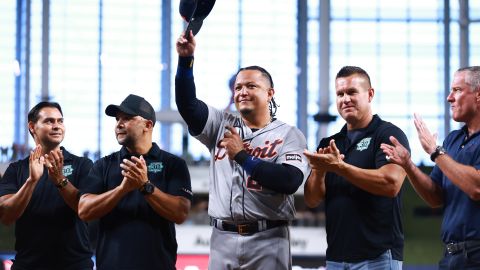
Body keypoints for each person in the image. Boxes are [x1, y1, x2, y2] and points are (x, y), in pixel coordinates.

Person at [175, 31, 309, 270]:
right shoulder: (219, 124)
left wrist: (242, 156)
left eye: (251, 86)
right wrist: (186, 60)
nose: (242, 92)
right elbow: (187, 105)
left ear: (270, 93)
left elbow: (289, 181)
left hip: (269, 237)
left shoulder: (289, 134)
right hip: (221, 237)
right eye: (238, 88)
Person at [304, 66, 410, 269]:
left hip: (378, 257)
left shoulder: (388, 134)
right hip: (336, 257)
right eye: (340, 94)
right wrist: (319, 171)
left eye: (352, 92)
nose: (345, 99)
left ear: (370, 94)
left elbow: (391, 184)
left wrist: (340, 167)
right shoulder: (330, 143)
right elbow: (312, 199)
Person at [380, 66, 480, 269]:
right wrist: (408, 164)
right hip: (452, 256)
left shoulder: (443, 150)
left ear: (478, 96)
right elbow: (435, 196)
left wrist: (435, 152)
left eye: (458, 90)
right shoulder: (453, 139)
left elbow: (476, 187)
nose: (449, 98)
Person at [78, 94, 192, 270]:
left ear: (148, 125)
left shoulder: (173, 164)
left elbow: (181, 213)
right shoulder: (103, 165)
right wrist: (122, 190)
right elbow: (84, 210)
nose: (119, 124)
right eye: (117, 119)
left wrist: (145, 186)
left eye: (127, 118)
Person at [0, 101, 94, 270]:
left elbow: (86, 210)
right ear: (32, 127)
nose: (57, 126)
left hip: (75, 265)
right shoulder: (16, 170)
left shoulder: (82, 165)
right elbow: (7, 216)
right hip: (28, 265)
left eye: (60, 121)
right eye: (49, 121)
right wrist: (31, 181)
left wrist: (60, 180)